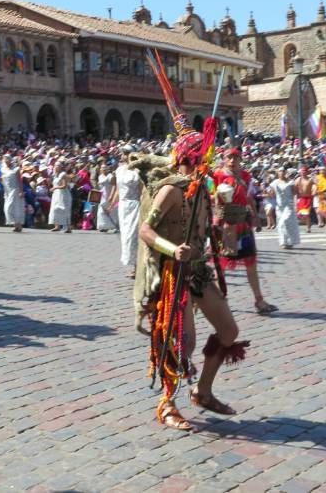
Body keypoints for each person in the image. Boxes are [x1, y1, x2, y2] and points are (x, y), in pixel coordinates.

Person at [137, 120, 246, 431]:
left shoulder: (203, 190)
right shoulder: (171, 190)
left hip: (199, 270)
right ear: (189, 158)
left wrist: (223, 231)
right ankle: (167, 403)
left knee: (228, 331)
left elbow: (204, 231)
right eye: (203, 158)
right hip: (175, 273)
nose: (207, 163)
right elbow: (144, 230)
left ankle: (203, 391)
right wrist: (172, 250)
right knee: (183, 340)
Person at [212, 148, 277, 315]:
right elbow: (211, 197)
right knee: (220, 265)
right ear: (224, 159)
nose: (233, 161)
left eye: (236, 157)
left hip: (242, 224)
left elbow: (248, 198)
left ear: (241, 159)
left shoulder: (246, 176)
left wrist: (254, 216)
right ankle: (219, 300)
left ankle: (259, 300)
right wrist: (219, 198)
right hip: (225, 224)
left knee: (251, 262)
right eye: (229, 157)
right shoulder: (217, 175)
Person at [112, 151, 142, 277]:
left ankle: (138, 267)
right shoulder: (119, 170)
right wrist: (111, 204)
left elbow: (142, 191)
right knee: (125, 237)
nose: (124, 156)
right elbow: (118, 190)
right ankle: (134, 265)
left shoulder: (138, 171)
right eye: (123, 153)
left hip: (135, 205)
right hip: (123, 207)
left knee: (133, 236)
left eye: (127, 153)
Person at [271, 167, 301, 249]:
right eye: (280, 171)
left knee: (284, 222)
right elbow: (271, 194)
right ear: (277, 173)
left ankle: (289, 240)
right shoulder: (275, 183)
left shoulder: (290, 182)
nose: (282, 173)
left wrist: (296, 187)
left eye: (283, 171)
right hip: (280, 206)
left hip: (289, 205)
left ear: (285, 172)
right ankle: (284, 242)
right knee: (282, 224)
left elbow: (295, 193)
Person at [0, 154, 24, 232]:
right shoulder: (3, 169)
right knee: (7, 208)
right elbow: (2, 180)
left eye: (8, 159)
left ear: (11, 160)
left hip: (15, 190)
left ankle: (18, 225)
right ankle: (16, 225)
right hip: (7, 191)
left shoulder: (16, 169)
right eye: (5, 159)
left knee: (15, 207)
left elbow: (20, 181)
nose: (7, 161)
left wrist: (21, 191)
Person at [49, 161, 72, 232]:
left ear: (61, 167)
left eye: (58, 166)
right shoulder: (55, 175)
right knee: (54, 209)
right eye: (55, 166)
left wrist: (55, 188)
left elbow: (64, 186)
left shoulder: (63, 174)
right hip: (56, 194)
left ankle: (68, 228)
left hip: (63, 195)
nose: (56, 167)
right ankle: (57, 226)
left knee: (64, 209)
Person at [96, 163, 118, 233]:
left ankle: (115, 226)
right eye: (102, 168)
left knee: (111, 211)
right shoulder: (100, 176)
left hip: (108, 195)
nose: (103, 169)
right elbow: (99, 186)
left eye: (105, 168)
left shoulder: (110, 176)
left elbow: (114, 186)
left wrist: (111, 195)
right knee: (101, 211)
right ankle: (103, 226)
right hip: (102, 196)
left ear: (107, 169)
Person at [295, 166, 316, 233]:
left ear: (307, 172)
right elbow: (294, 189)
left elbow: (317, 185)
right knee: (300, 215)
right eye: (302, 171)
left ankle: (308, 228)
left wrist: (314, 190)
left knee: (307, 214)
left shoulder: (310, 179)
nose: (303, 172)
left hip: (308, 198)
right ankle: (309, 223)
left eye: (304, 171)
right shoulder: (298, 179)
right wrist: (295, 198)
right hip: (301, 198)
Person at [315, 166, 326, 233]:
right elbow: (316, 185)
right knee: (320, 211)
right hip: (320, 196)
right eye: (320, 170)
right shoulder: (318, 177)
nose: (322, 171)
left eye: (323, 170)